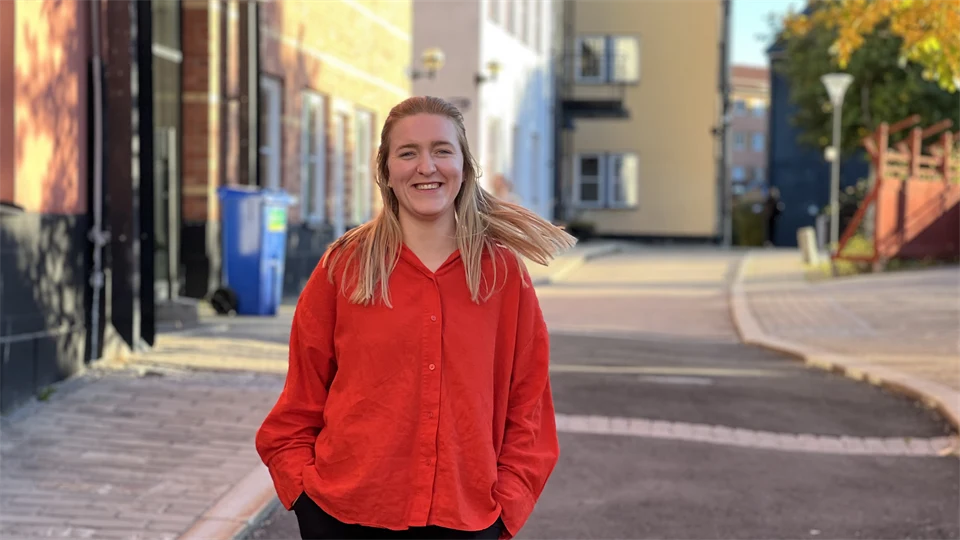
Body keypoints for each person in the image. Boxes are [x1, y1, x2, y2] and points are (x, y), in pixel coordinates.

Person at [255, 96, 576, 540]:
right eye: (408, 153)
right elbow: (298, 405)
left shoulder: (502, 275)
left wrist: (505, 509)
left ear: (465, 166)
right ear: (386, 171)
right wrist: (306, 501)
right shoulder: (344, 268)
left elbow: (530, 409)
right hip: (345, 516)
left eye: (442, 150)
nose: (426, 166)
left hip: (465, 519)